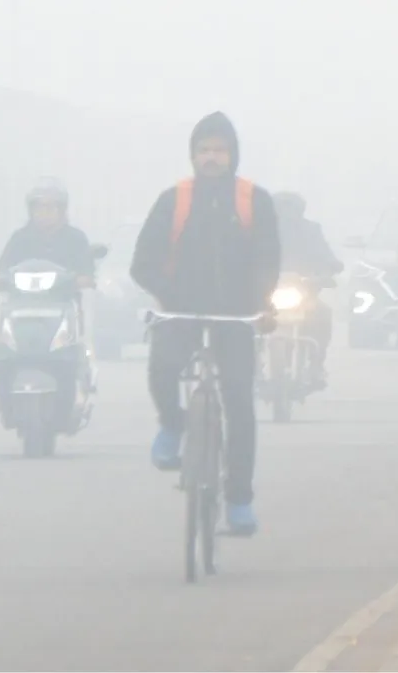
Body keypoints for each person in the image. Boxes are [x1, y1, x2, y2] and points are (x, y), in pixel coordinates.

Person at [129, 111, 281, 536]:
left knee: (238, 401)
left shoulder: (255, 200)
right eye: (204, 150)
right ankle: (173, 424)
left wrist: (261, 301)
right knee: (162, 367)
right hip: (181, 310)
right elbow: (142, 262)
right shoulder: (173, 200)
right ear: (193, 156)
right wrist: (168, 293)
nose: (211, 158)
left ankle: (238, 500)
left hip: (237, 314)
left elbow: (268, 258)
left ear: (233, 155)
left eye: (219, 150)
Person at [0, 178, 97, 428]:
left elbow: (87, 271)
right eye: (39, 208)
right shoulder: (20, 238)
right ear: (31, 211)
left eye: (50, 208)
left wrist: (83, 279)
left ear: (61, 210)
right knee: (2, 349)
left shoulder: (75, 238)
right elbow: (3, 269)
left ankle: (75, 391)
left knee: (73, 348)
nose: (44, 213)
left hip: (62, 307)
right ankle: (6, 404)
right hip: (20, 308)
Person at [272, 191, 343, 384]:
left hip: (304, 295)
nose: (286, 213)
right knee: (243, 323)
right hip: (264, 297)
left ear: (300, 210)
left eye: (290, 208)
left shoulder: (311, 231)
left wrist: (328, 270)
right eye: (281, 207)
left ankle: (316, 364)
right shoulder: (259, 231)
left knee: (322, 315)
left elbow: (325, 255)